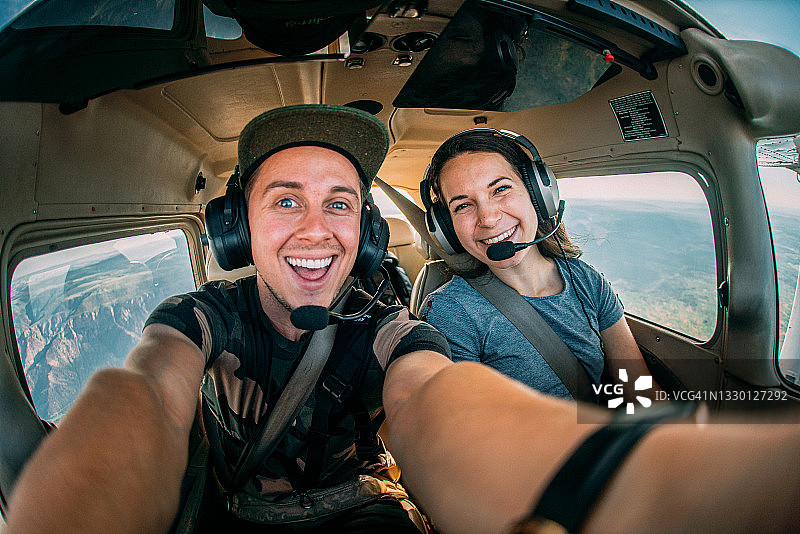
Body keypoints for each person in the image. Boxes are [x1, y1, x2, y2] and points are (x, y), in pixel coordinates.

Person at [4, 104, 454, 533]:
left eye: (338, 205)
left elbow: (433, 395)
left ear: (367, 231)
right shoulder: (203, 317)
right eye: (285, 202)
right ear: (239, 226)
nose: (316, 230)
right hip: (242, 513)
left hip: (358, 504)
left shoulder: (386, 327)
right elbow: (154, 390)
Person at [419, 128, 657, 402]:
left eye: (500, 189)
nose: (488, 218)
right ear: (447, 228)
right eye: (463, 206)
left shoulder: (587, 282)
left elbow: (640, 392)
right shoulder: (451, 312)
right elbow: (466, 431)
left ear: (537, 195)